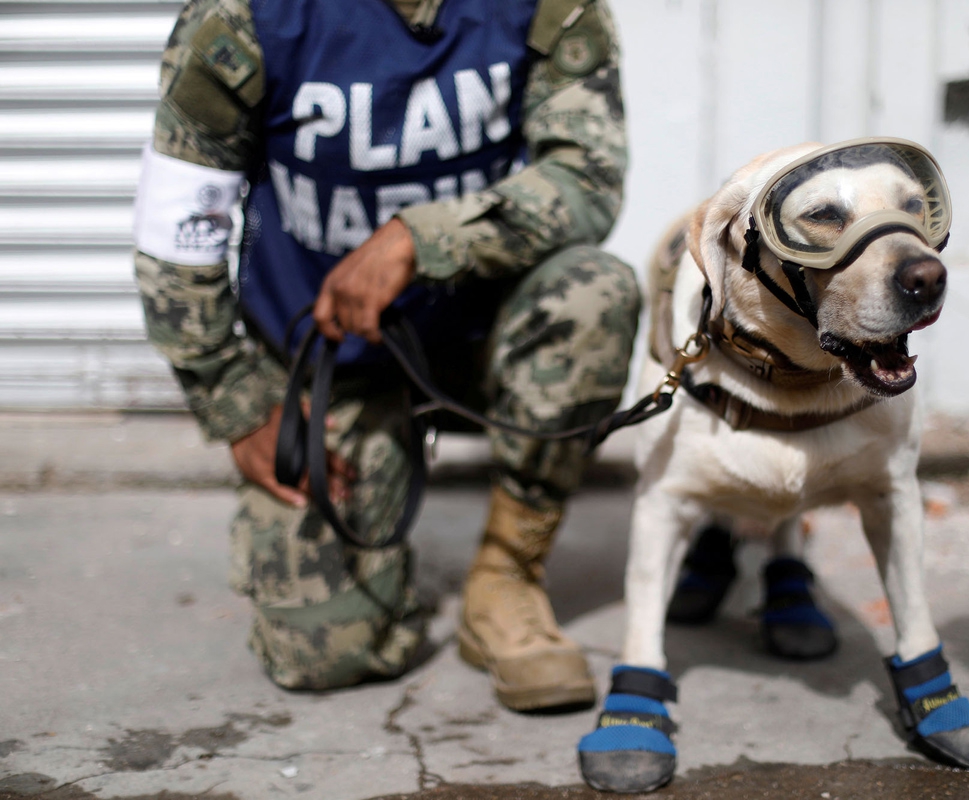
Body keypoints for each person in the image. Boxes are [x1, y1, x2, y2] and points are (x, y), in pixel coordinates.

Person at [133, 0, 639, 713]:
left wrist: (419, 239)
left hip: (480, 334)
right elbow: (180, 221)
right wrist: (235, 402)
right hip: (326, 350)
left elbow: (586, 178)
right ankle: (381, 499)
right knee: (326, 653)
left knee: (595, 292)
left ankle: (505, 578)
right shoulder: (247, 17)